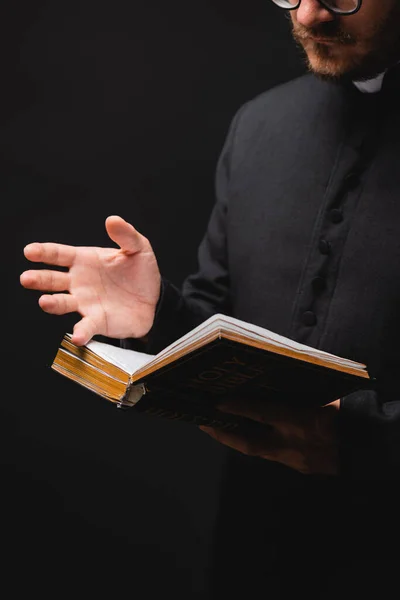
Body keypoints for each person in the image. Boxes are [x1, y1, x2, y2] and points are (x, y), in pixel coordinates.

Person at [20, 0, 400, 597]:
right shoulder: (260, 122)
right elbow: (221, 323)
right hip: (257, 550)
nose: (307, 16)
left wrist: (366, 443)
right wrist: (158, 313)